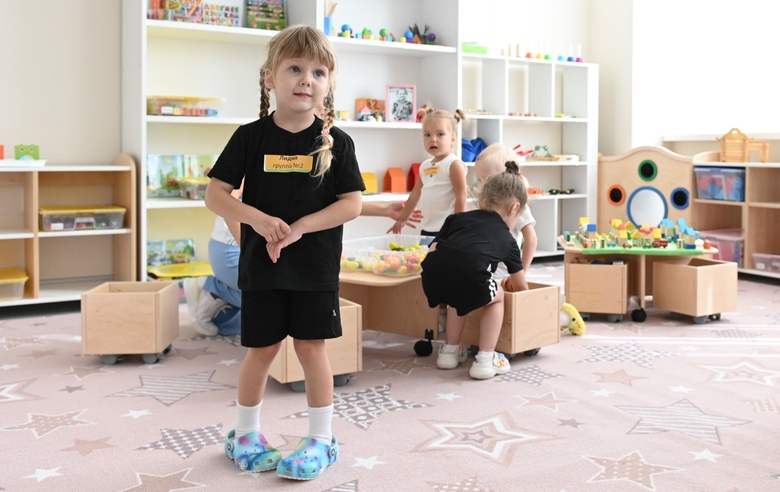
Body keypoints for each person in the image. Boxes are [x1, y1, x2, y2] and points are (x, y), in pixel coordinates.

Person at [204, 25, 363, 480]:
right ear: (270, 77)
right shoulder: (250, 137)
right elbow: (216, 195)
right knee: (261, 350)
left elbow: (350, 203)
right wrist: (255, 218)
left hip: (314, 269)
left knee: (312, 350)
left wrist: (300, 228)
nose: (306, 79)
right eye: (295, 68)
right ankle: (246, 434)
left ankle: (319, 439)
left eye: (318, 71)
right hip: (262, 267)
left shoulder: (339, 142)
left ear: (328, 83)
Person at [184, 201, 423, 337]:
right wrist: (248, 251)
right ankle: (213, 288)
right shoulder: (260, 148)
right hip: (231, 249)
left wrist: (384, 210)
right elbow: (228, 205)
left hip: (263, 246)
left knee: (278, 309)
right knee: (274, 299)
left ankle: (221, 302)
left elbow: (340, 202)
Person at [420, 161, 529, 380]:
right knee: (497, 296)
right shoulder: (508, 240)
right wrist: (510, 287)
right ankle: (486, 359)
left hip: (432, 278)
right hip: (469, 276)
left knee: (456, 290)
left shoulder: (456, 218)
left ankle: (450, 352)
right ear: (514, 208)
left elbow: (433, 248)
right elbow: (521, 286)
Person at [388, 107, 468, 246]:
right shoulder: (425, 166)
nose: (433, 140)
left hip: (447, 229)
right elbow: (414, 195)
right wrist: (402, 220)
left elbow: (462, 195)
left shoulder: (453, 164)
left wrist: (458, 226)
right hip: (427, 228)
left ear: (453, 138)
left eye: (440, 134)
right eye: (427, 135)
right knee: (428, 263)